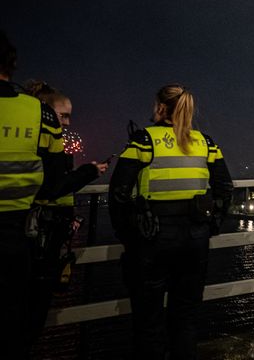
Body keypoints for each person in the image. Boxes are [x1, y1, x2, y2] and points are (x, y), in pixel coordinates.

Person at [108, 84, 233, 359]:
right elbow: (225, 188)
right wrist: (211, 225)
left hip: (154, 239)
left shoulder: (144, 139)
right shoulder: (206, 142)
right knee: (186, 318)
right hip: (194, 239)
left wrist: (129, 235)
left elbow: (118, 192)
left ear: (161, 107)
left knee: (148, 321)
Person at [24, 81, 108, 341]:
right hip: (38, 243)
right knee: (30, 318)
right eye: (64, 115)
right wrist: (89, 172)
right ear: (46, 112)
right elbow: (54, 187)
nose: (68, 123)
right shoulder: (45, 147)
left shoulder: (41, 143)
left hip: (42, 237)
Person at [0, 31, 66, 359]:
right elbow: (54, 181)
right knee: (15, 322)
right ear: (11, 65)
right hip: (16, 235)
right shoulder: (41, 114)